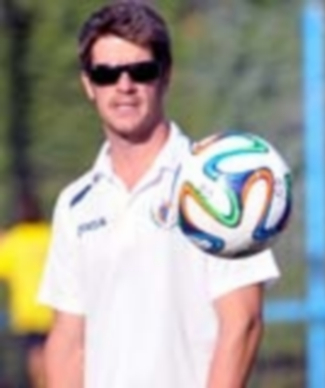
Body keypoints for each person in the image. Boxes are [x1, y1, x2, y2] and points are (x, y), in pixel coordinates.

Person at [37, 3, 280, 388]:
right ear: (88, 84)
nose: (124, 86)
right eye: (106, 74)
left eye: (141, 70)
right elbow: (68, 341)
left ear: (165, 76)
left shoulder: (217, 182)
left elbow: (243, 322)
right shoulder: (74, 203)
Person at [0, 194, 52, 388]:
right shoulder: (51, 234)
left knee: (36, 354)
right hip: (55, 308)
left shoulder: (15, 240)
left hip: (28, 310)